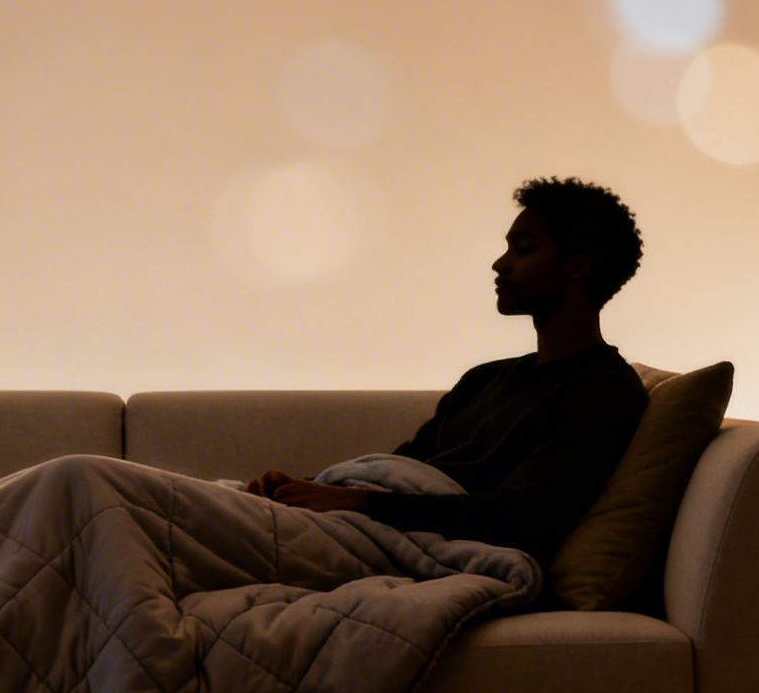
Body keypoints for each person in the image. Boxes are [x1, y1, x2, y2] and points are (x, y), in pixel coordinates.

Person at [246, 176, 649, 565]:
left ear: (576, 267)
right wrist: (303, 487)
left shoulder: (603, 392)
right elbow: (404, 468)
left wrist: (356, 502)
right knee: (211, 498)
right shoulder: (483, 380)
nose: (500, 264)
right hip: (352, 525)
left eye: (522, 250)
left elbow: (523, 518)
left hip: (401, 546)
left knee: (182, 506)